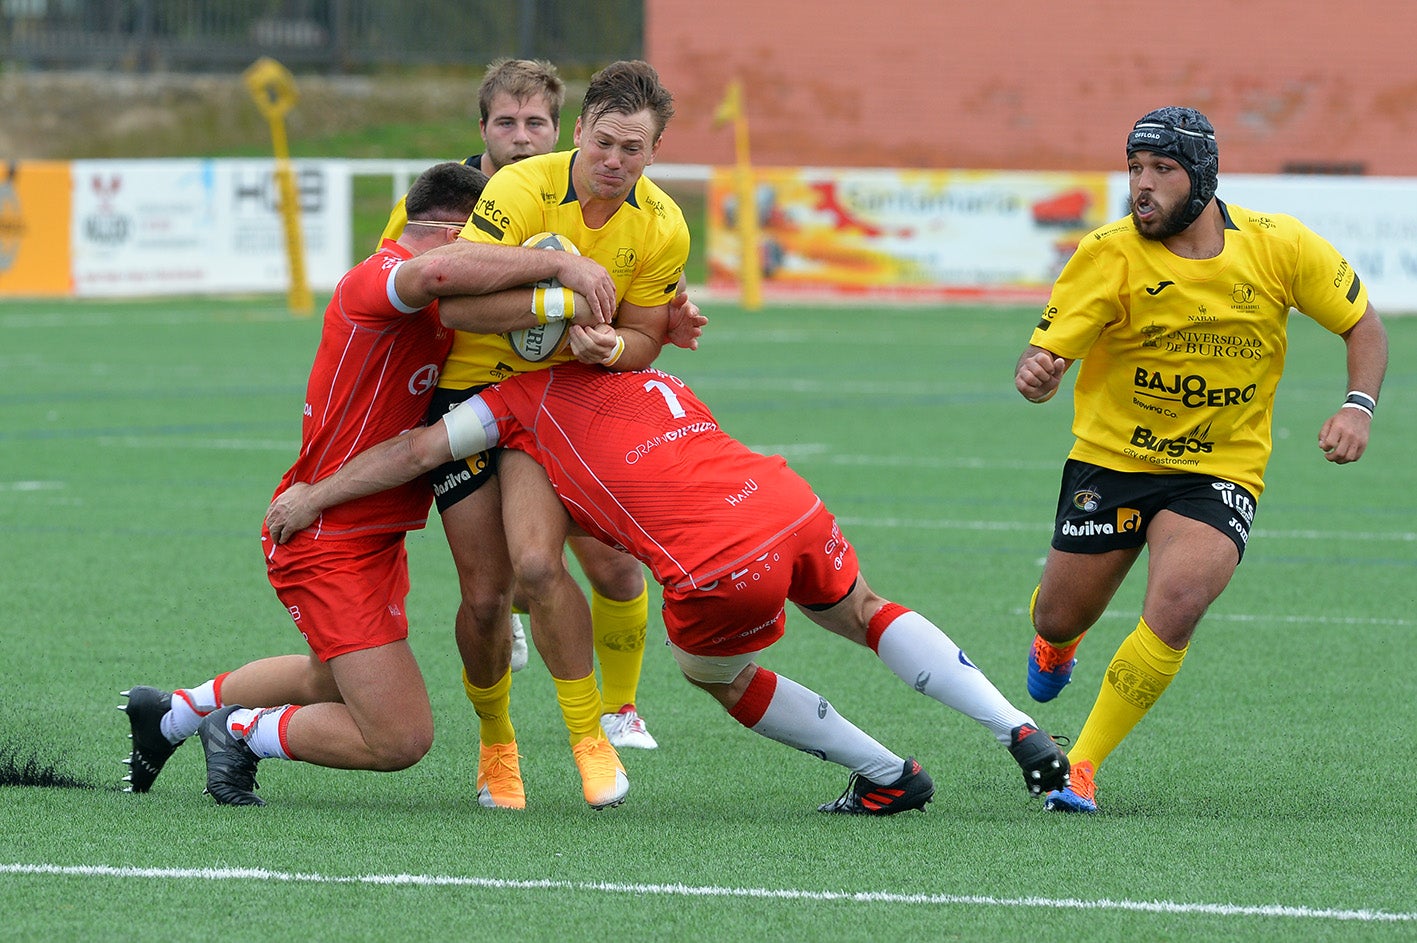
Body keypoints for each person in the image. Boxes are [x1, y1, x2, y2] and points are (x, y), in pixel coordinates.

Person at [264, 362, 1072, 814]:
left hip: (719, 558)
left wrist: (315, 492)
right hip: (786, 500)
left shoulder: (508, 402)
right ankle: (1018, 730)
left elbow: (413, 454)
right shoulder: (641, 363)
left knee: (711, 672)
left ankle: (887, 775)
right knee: (861, 609)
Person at [119, 160, 617, 806]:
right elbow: (439, 272)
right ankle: (240, 730)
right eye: (484, 245)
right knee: (401, 735)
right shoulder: (378, 279)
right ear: (449, 233)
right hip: (326, 534)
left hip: (373, 537)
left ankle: (172, 714)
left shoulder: (441, 309)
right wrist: (561, 269)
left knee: (326, 676)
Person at [1013, 106, 1389, 813]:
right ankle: (1054, 645)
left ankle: (1080, 763)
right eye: (1133, 169)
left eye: (1160, 170)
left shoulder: (1279, 246)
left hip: (1219, 469)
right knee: (1060, 615)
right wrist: (1038, 374)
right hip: (1111, 460)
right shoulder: (1105, 252)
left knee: (1179, 602)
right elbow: (1047, 356)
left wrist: (1356, 406)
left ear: (1203, 176)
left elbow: (1361, 323)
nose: (1141, 186)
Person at [381, 60, 704, 810]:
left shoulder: (661, 222)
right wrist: (560, 294)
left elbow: (645, 336)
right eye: (604, 144)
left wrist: (615, 349)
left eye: (633, 149)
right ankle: (497, 747)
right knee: (487, 595)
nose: (615, 161)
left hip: (556, 402)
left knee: (542, 564)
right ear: (580, 134)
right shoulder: (516, 191)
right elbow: (455, 309)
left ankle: (594, 736)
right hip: (468, 392)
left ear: (654, 152)